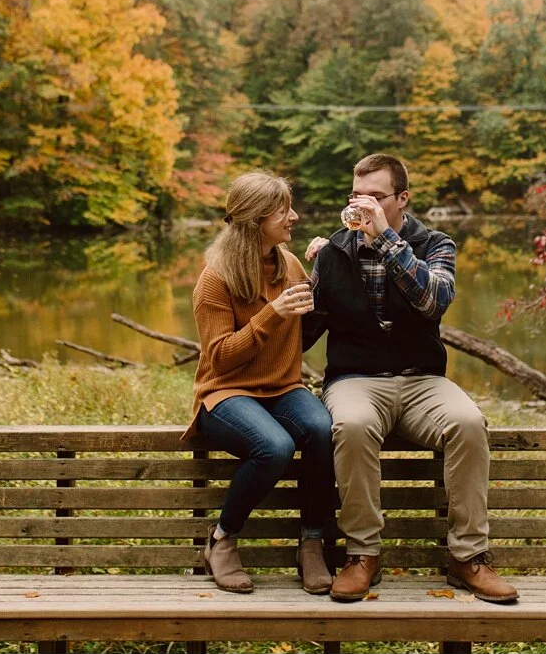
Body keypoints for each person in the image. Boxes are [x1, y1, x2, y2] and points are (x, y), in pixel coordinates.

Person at [302, 153, 517, 604]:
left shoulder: (435, 243)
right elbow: (306, 333)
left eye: (377, 198)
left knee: (468, 423)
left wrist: (386, 240)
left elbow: (432, 301)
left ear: (402, 199)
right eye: (359, 197)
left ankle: (468, 558)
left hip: (422, 381)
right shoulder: (333, 251)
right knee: (353, 425)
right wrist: (295, 278)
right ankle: (362, 555)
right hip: (355, 379)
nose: (366, 206)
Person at [184, 171, 335, 595]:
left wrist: (328, 271)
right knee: (275, 446)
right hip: (225, 393)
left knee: (322, 430)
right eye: (284, 210)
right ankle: (222, 538)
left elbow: (302, 336)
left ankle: (311, 542)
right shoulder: (216, 278)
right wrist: (272, 315)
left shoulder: (288, 264)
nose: (295, 217)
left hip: (284, 387)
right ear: (256, 221)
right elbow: (220, 357)